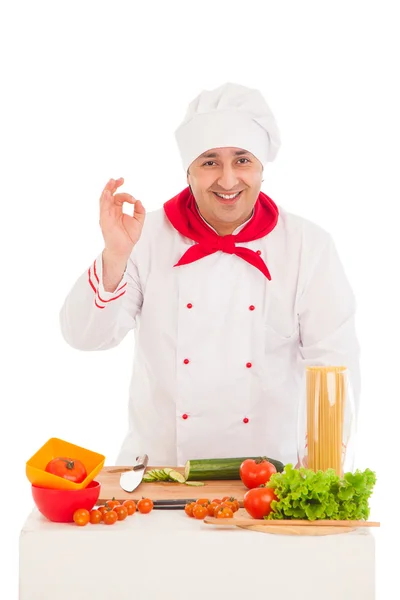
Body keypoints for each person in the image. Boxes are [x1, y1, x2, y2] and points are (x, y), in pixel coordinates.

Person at [59, 82, 360, 468]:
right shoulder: (144, 237)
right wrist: (115, 255)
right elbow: (84, 337)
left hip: (266, 484)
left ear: (262, 169)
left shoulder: (308, 246)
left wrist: (319, 473)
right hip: (158, 477)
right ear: (189, 171)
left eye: (242, 160)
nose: (229, 180)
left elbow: (335, 368)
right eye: (210, 162)